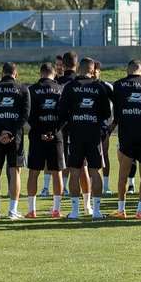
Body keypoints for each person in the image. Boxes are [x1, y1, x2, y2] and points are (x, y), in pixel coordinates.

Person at [58, 57, 111, 220]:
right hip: (94, 135)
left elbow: (62, 113)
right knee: (95, 171)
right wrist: (100, 130)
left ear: (79, 69)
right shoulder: (99, 87)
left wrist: (71, 126)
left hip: (76, 135)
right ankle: (96, 211)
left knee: (74, 172)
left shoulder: (70, 87)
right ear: (92, 69)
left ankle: (75, 211)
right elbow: (107, 114)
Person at [0, 62, 30, 221]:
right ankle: (12, 211)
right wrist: (11, 132)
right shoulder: (23, 89)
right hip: (16, 137)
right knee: (14, 171)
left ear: (2, 74)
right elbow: (25, 116)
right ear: (15, 74)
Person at [110, 60, 141, 219]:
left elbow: (116, 113)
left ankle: (121, 209)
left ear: (127, 70)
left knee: (123, 174)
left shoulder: (118, 85)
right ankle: (140, 211)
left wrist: (111, 128)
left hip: (127, 134)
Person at [27, 63, 66, 218]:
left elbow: (28, 115)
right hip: (56, 136)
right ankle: (56, 210)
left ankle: (32, 210)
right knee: (57, 172)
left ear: (40, 73)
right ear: (54, 73)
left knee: (34, 172)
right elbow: (65, 115)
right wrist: (54, 131)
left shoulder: (32, 90)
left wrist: (41, 132)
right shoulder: (61, 89)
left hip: (37, 135)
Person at [54, 51, 79, 198]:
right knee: (84, 164)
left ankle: (63, 187)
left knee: (62, 158)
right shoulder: (82, 81)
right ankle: (89, 202)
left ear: (63, 64)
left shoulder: (58, 83)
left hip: (62, 126)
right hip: (82, 125)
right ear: (76, 64)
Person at [93, 61, 116, 197]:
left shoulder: (107, 87)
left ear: (99, 71)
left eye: (96, 70)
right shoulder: (84, 86)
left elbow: (117, 105)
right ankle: (90, 185)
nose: (93, 73)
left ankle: (106, 186)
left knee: (104, 155)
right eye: (92, 70)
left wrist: (112, 125)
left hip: (104, 128)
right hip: (87, 127)